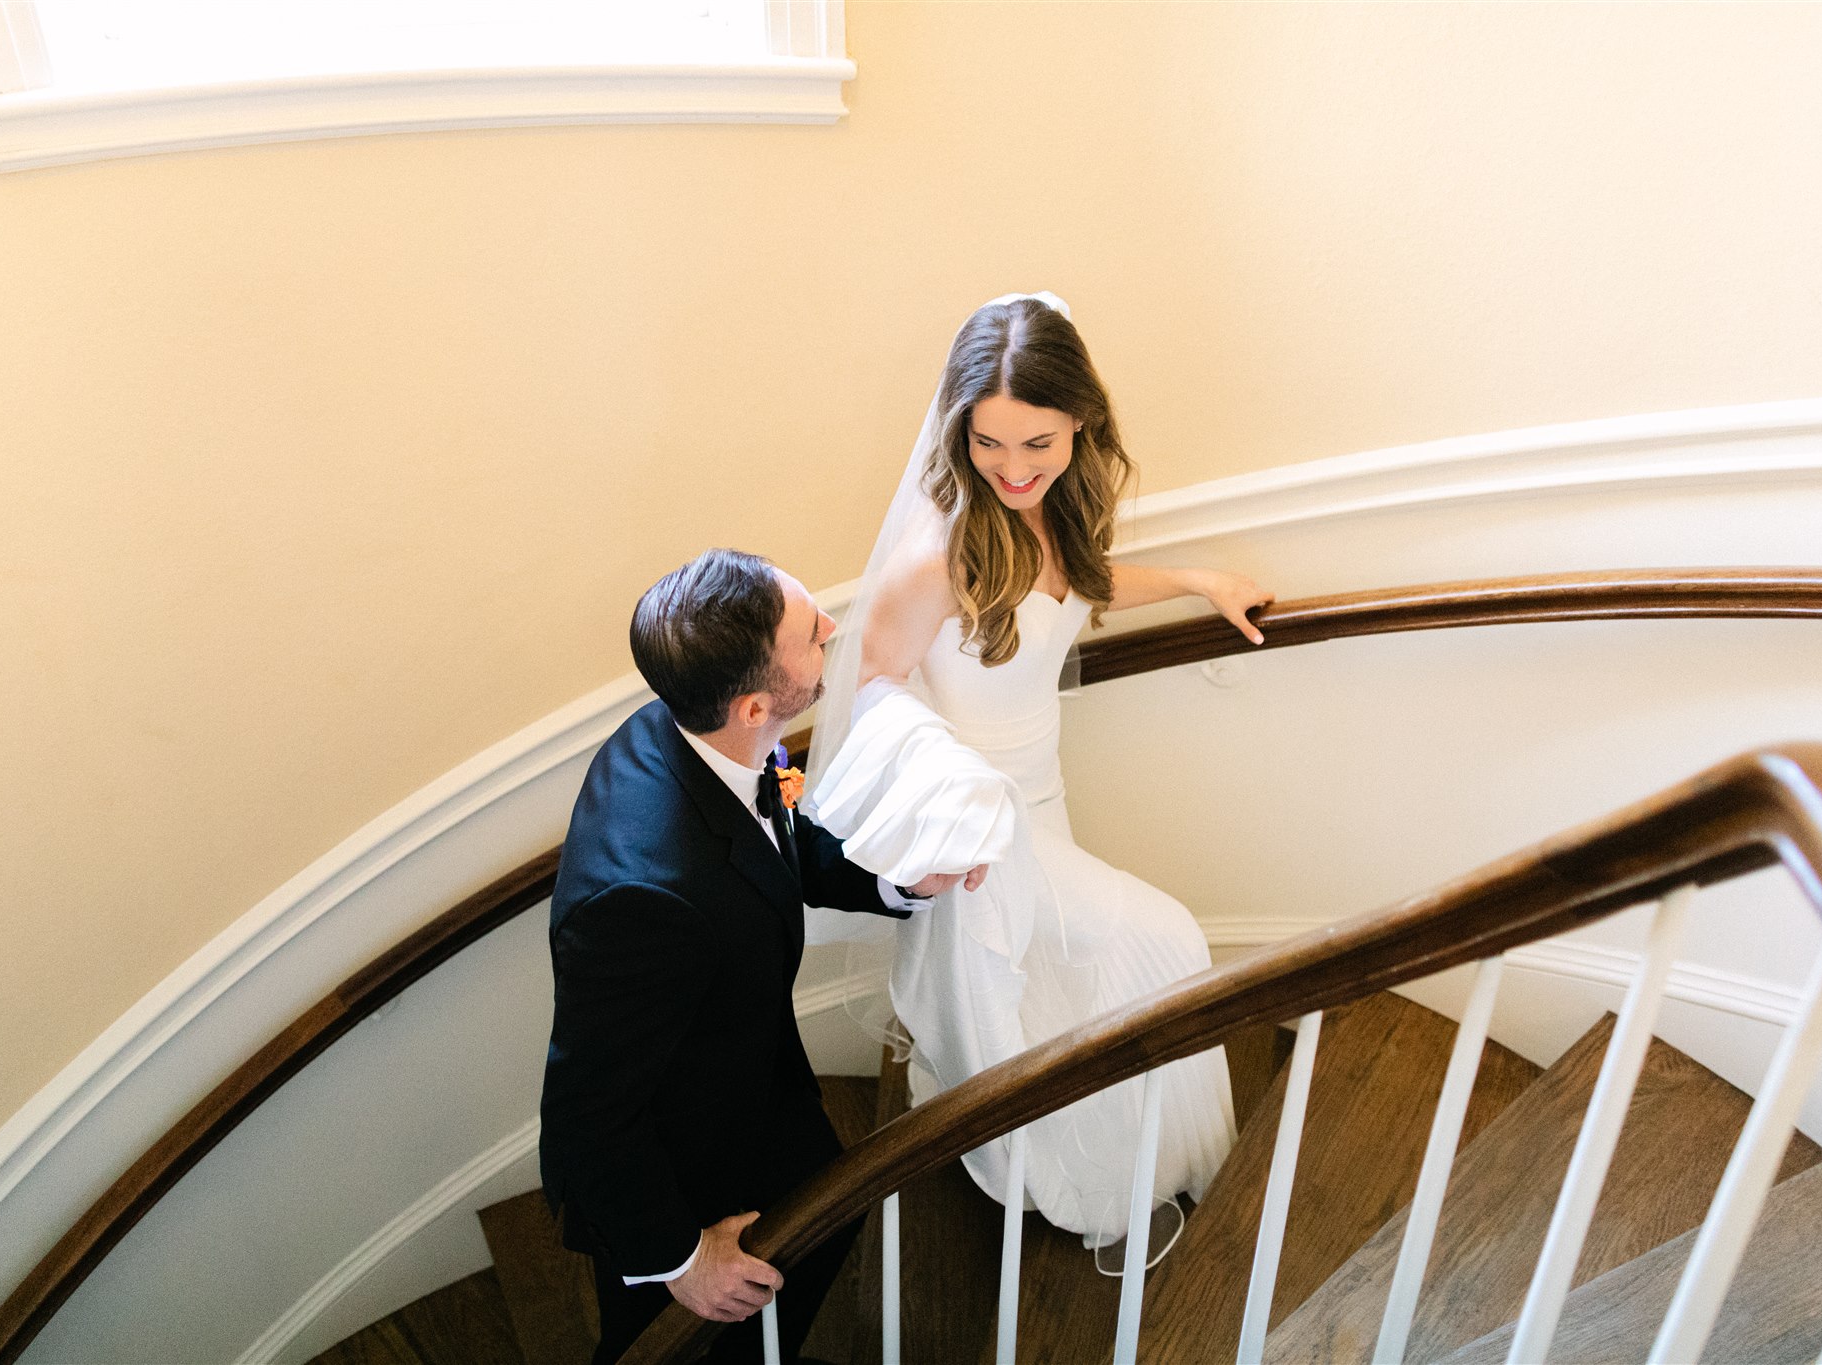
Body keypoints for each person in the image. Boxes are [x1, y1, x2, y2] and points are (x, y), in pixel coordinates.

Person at [804, 293, 1274, 1267]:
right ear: (958, 429)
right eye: (989, 445)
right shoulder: (934, 556)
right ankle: (1050, 1153)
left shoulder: (1053, 511)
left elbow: (1082, 582)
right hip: (982, 822)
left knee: (1054, 980)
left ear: (1079, 425)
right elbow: (873, 690)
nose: (1014, 469)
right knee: (1164, 943)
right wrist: (952, 795)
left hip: (1043, 795)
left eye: (1038, 443)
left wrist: (1197, 582)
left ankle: (1106, 1130)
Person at [540, 548, 982, 1365]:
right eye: (814, 635)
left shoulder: (707, 729)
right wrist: (679, 1255)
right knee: (680, 1348)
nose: (834, 630)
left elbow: (783, 832)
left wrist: (901, 884)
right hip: (678, 1164)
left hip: (752, 1082)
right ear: (752, 704)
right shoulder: (643, 904)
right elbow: (588, 1120)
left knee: (824, 1225)